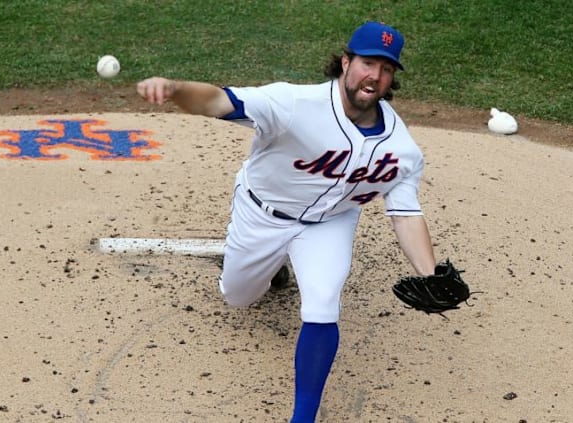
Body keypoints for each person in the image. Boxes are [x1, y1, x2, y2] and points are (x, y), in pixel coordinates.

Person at [137, 21, 436, 423]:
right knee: (238, 296)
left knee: (323, 302)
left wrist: (430, 275)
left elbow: (405, 214)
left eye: (386, 69)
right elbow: (218, 102)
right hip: (261, 215)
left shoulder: (402, 150)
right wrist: (175, 90)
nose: (375, 76)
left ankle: (303, 417)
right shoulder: (294, 103)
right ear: (346, 63)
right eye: (367, 63)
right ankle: (270, 267)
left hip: (329, 224)